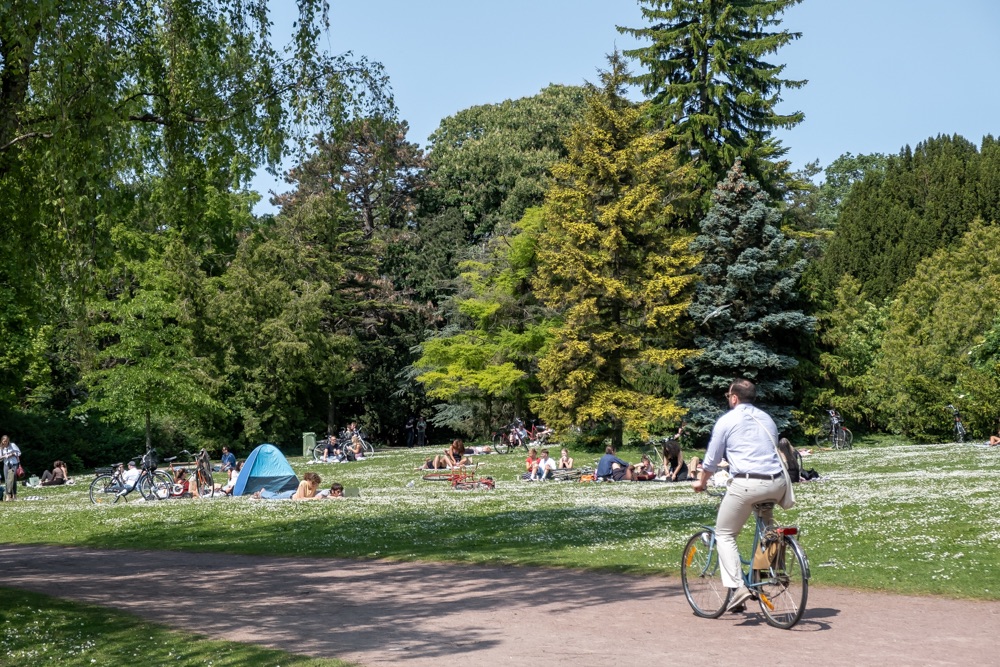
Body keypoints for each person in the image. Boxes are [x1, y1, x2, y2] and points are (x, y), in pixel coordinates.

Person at [692, 378, 788, 613]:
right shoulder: (767, 419)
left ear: (734, 398)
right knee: (768, 533)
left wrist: (701, 482)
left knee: (724, 533)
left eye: (728, 396)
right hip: (776, 483)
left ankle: (738, 588)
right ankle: (763, 575)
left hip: (747, 484)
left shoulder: (727, 420)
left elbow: (712, 459)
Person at [254, 472, 321, 500]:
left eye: (316, 484)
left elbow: (311, 497)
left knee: (276, 495)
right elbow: (301, 498)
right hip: (290, 495)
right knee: (274, 497)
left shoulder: (314, 486)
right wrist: (314, 499)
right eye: (313, 483)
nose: (314, 485)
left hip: (294, 492)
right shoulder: (303, 483)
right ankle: (263, 492)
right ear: (308, 480)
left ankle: (264, 492)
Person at [1, 435, 21, 501]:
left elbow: (19, 453)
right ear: (2, 441)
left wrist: (12, 454)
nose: (5, 442)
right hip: (6, 464)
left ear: (8, 440)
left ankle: (14, 495)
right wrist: (4, 456)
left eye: (6, 441)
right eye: (4, 441)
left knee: (13, 478)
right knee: (7, 480)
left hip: (14, 463)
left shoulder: (13, 445)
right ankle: (8, 496)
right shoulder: (1, 448)